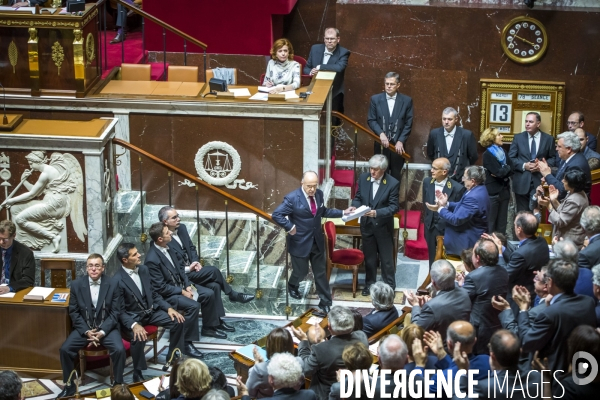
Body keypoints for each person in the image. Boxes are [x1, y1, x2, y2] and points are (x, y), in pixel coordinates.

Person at [272, 171, 353, 314]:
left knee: (320, 273)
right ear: (302, 183)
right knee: (301, 272)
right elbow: (276, 214)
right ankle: (292, 285)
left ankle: (325, 302)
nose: (312, 189)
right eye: (309, 186)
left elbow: (323, 211)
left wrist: (342, 213)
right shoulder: (292, 198)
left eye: (314, 186)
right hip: (300, 242)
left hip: (317, 241)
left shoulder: (319, 194)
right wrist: (290, 227)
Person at [114, 243, 189, 382]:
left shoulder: (143, 270)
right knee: (138, 336)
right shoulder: (117, 280)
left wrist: (169, 308)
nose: (139, 255)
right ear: (125, 260)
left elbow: (154, 294)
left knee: (178, 321)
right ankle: (138, 371)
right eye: (135, 254)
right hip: (133, 318)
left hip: (151, 312)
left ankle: (173, 357)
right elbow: (119, 311)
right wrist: (134, 325)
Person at [57, 254, 125, 398]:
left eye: (97, 266)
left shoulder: (113, 284)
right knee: (65, 350)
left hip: (107, 328)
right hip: (85, 328)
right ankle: (69, 386)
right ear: (86, 268)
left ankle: (118, 384)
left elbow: (115, 312)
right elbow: (74, 312)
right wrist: (87, 331)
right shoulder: (76, 284)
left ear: (103, 268)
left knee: (119, 350)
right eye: (90, 266)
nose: (93, 269)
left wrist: (102, 332)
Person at [159, 206, 254, 305]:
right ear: (165, 221)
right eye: (174, 218)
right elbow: (171, 266)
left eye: (178, 216)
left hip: (193, 270)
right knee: (213, 271)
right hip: (182, 275)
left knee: (215, 286)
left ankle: (218, 320)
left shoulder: (182, 228)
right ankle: (232, 294)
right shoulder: (163, 239)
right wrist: (188, 268)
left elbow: (191, 248)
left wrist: (195, 262)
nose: (178, 219)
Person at [514, 259, 596, 372]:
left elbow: (527, 342)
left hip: (556, 374)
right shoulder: (589, 302)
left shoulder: (550, 314)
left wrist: (523, 310)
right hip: (584, 368)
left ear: (550, 282)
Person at [145, 222, 220, 343]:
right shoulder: (152, 260)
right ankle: (186, 342)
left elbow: (181, 270)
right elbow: (160, 287)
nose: (170, 232)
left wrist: (188, 285)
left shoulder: (169, 248)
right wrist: (182, 292)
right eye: (167, 232)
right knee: (193, 306)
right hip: (169, 295)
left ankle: (209, 328)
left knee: (209, 293)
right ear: (160, 239)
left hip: (182, 287)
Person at [0, 151, 86, 252]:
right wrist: (24, 181)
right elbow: (37, 192)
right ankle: (19, 241)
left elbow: (32, 194)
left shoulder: (46, 173)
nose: (30, 166)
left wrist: (11, 200)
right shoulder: (50, 169)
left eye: (31, 163)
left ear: (37, 161)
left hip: (53, 205)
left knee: (20, 219)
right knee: (15, 208)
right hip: (51, 202)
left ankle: (53, 237)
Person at [294, 305, 368, 400]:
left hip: (329, 394)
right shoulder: (362, 337)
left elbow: (305, 369)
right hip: (355, 390)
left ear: (329, 327)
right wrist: (322, 344)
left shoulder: (321, 350)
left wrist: (303, 341)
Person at [484, 211, 549, 314]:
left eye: (515, 224)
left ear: (519, 229)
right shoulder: (542, 241)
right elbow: (518, 259)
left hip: (520, 295)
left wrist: (500, 252)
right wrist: (502, 247)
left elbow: (505, 274)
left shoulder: (521, 254)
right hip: (534, 289)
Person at [351, 155, 399, 293]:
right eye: (371, 168)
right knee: (370, 259)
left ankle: (389, 287)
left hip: (383, 227)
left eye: (376, 170)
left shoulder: (392, 183)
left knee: (386, 260)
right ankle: (369, 285)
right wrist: (355, 206)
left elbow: (393, 207)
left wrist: (376, 213)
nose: (372, 172)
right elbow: (358, 197)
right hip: (367, 226)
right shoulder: (363, 178)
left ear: (383, 169)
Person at [455, 330, 542, 399]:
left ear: (493, 356)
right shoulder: (537, 377)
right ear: (520, 351)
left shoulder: (485, 387)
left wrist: (462, 371)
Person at [425, 165, 490, 257]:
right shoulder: (478, 189)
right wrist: (446, 204)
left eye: (464, 177)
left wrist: (440, 209)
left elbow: (456, 220)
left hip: (466, 241)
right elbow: (462, 205)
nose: (462, 179)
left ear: (472, 181)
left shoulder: (473, 197)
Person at [405, 260, 471, 342]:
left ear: (433, 282)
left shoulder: (431, 307)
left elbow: (416, 331)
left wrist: (415, 305)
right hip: (463, 340)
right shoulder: (465, 292)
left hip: (440, 349)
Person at [463, 239, 509, 355]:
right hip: (498, 323)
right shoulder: (504, 271)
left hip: (479, 328)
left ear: (477, 258)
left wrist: (457, 286)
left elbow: (463, 300)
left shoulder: (473, 277)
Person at [367, 72, 413, 182]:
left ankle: (393, 199)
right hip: (381, 144)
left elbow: (408, 123)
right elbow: (371, 120)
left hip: (398, 146)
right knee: (379, 174)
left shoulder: (407, 101)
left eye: (392, 84)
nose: (388, 86)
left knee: (396, 176)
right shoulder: (375, 99)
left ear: (398, 85)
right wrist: (381, 134)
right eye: (386, 83)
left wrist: (401, 140)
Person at [422, 321, 490, 395]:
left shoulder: (440, 378)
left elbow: (419, 394)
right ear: (474, 341)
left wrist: (419, 365)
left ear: (449, 344)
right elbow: (454, 370)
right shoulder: (487, 361)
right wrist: (441, 354)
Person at [508, 112, 556, 212]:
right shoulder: (518, 138)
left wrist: (541, 166)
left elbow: (554, 158)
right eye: (526, 121)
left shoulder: (548, 139)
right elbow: (510, 159)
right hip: (521, 182)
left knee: (539, 214)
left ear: (538, 124)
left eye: (530, 122)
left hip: (540, 182)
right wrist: (524, 165)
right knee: (523, 214)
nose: (527, 124)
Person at [422, 157, 465, 266]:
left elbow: (457, 212)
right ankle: (433, 280)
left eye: (435, 169)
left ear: (444, 171)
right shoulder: (427, 182)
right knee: (432, 258)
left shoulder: (457, 188)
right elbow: (425, 203)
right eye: (432, 168)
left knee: (445, 261)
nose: (431, 170)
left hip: (446, 229)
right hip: (430, 227)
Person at [304, 28, 350, 118]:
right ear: (324, 39)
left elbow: (339, 67)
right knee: (314, 117)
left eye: (332, 39)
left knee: (334, 119)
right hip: (315, 89)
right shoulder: (315, 49)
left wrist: (320, 67)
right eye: (327, 39)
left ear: (338, 39)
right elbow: (306, 68)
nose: (329, 41)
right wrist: (311, 72)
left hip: (334, 92)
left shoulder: (344, 52)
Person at [246, 327, 303, 399]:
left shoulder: (259, 370)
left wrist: (257, 363)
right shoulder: (299, 362)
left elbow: (250, 393)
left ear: (269, 347)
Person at [538, 169, 589, 247]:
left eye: (565, 180)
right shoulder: (576, 192)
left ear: (572, 185)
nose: (562, 181)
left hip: (570, 242)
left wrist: (548, 205)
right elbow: (564, 212)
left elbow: (560, 221)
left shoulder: (575, 200)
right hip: (566, 238)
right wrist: (554, 200)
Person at [426, 107, 478, 181]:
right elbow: (430, 153)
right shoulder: (434, 134)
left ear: (456, 119)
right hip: (440, 178)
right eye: (444, 119)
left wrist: (462, 165)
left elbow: (473, 156)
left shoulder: (466, 135)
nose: (446, 122)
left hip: (460, 180)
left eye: (450, 119)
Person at [538, 131, 592, 200]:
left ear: (569, 149)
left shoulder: (576, 165)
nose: (556, 149)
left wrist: (547, 175)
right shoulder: (570, 157)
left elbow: (562, 191)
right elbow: (561, 172)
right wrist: (547, 169)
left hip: (573, 206)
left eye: (559, 146)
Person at [480, 127, 514, 235]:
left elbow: (511, 169)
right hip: (492, 193)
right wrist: (505, 169)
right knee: (491, 223)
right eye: (499, 135)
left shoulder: (503, 151)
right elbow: (499, 172)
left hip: (504, 191)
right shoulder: (487, 155)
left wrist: (504, 170)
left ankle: (500, 247)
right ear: (492, 138)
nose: (502, 137)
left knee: (502, 224)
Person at [0, 220, 34, 295]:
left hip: (15, 292)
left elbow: (28, 280)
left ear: (13, 236)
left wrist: (9, 287)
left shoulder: (26, 253)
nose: (1, 242)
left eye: (5, 239)